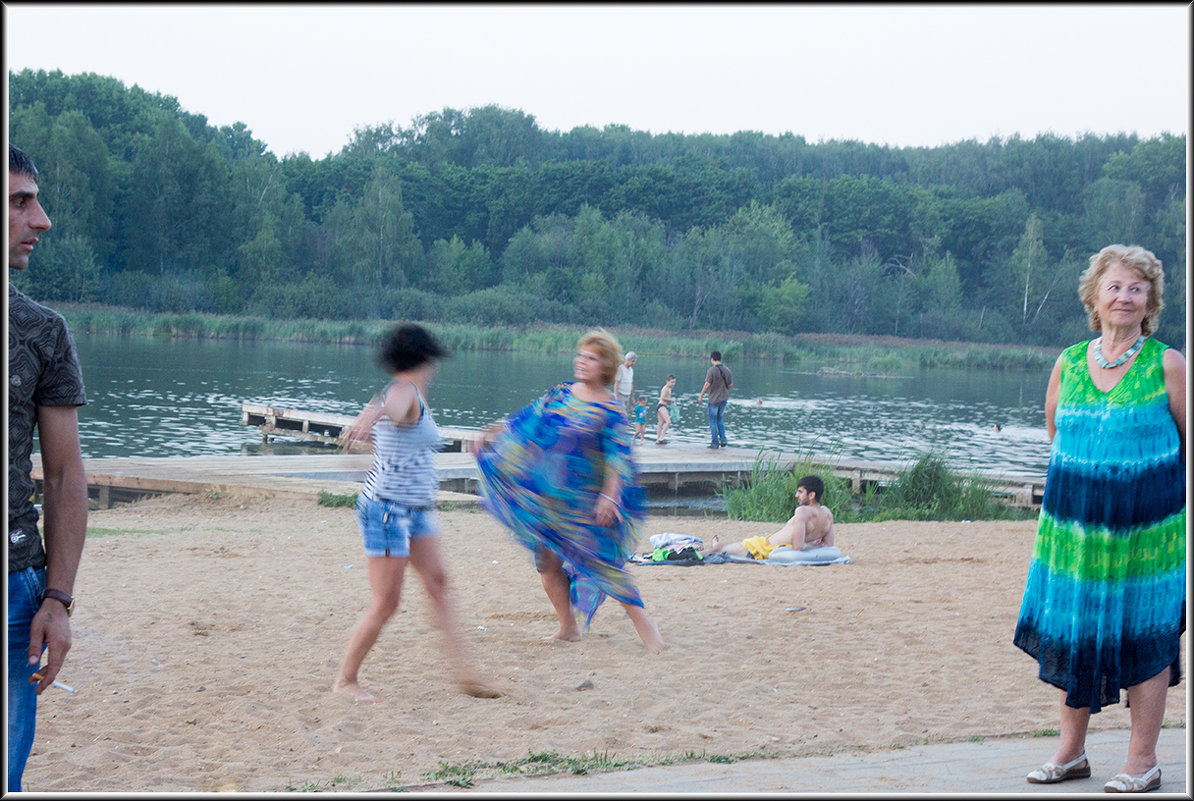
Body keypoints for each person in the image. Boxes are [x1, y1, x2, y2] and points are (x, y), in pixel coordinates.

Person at [1013, 245, 1185, 793]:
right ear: (1094, 296)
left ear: (1150, 300)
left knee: (1146, 634)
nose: (1125, 297)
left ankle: (1143, 761)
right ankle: (1072, 753)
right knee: (1073, 629)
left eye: (1137, 288)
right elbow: (1056, 433)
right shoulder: (1067, 361)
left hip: (1148, 536)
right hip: (1075, 532)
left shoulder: (1168, 363)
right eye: (1114, 286)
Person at [333, 324, 501, 703]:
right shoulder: (404, 391)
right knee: (387, 602)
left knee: (438, 584)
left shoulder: (410, 394)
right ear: (426, 357)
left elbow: (394, 418)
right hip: (388, 510)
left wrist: (371, 414)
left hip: (417, 510)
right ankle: (345, 681)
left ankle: (467, 674)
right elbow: (392, 407)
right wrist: (373, 414)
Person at [471, 329, 664, 653]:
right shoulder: (562, 393)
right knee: (546, 563)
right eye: (581, 355)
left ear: (606, 366)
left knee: (604, 565)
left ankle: (651, 635)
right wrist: (490, 434)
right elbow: (526, 420)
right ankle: (568, 628)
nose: (582, 361)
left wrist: (609, 497)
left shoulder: (611, 410)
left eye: (591, 357)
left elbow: (618, 459)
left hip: (587, 505)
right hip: (549, 502)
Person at [8, 144, 89, 792]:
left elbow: (64, 477)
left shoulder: (42, 332)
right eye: (18, 202)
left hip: (15, 589)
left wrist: (58, 600)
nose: (42, 219)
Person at [707, 476, 834, 559]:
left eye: (800, 492)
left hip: (762, 549)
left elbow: (798, 546)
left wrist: (808, 545)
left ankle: (693, 553)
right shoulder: (827, 514)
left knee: (719, 549)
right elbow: (828, 545)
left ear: (811, 495)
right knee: (724, 547)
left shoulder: (802, 511)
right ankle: (714, 544)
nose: (796, 495)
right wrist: (813, 545)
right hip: (765, 544)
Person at [696, 350, 732, 449]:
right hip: (724, 399)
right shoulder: (727, 370)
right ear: (720, 358)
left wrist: (701, 395)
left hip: (713, 400)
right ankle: (723, 439)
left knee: (713, 421)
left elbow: (707, 384)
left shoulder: (711, 371)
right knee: (720, 419)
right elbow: (730, 385)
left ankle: (715, 443)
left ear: (712, 359)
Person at [614, 351, 637, 417]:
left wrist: (632, 397)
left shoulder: (631, 370)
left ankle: (623, 426)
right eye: (632, 361)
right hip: (621, 395)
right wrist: (617, 397)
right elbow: (616, 384)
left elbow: (631, 384)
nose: (633, 363)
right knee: (623, 414)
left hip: (627, 396)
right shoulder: (620, 369)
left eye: (634, 361)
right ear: (627, 360)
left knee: (625, 414)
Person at [655, 375, 675, 445]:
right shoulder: (666, 388)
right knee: (668, 421)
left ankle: (658, 439)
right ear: (667, 381)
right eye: (672, 382)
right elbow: (663, 397)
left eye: (674, 382)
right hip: (661, 406)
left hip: (662, 406)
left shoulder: (669, 389)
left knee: (660, 423)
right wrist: (671, 399)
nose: (673, 384)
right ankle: (661, 438)